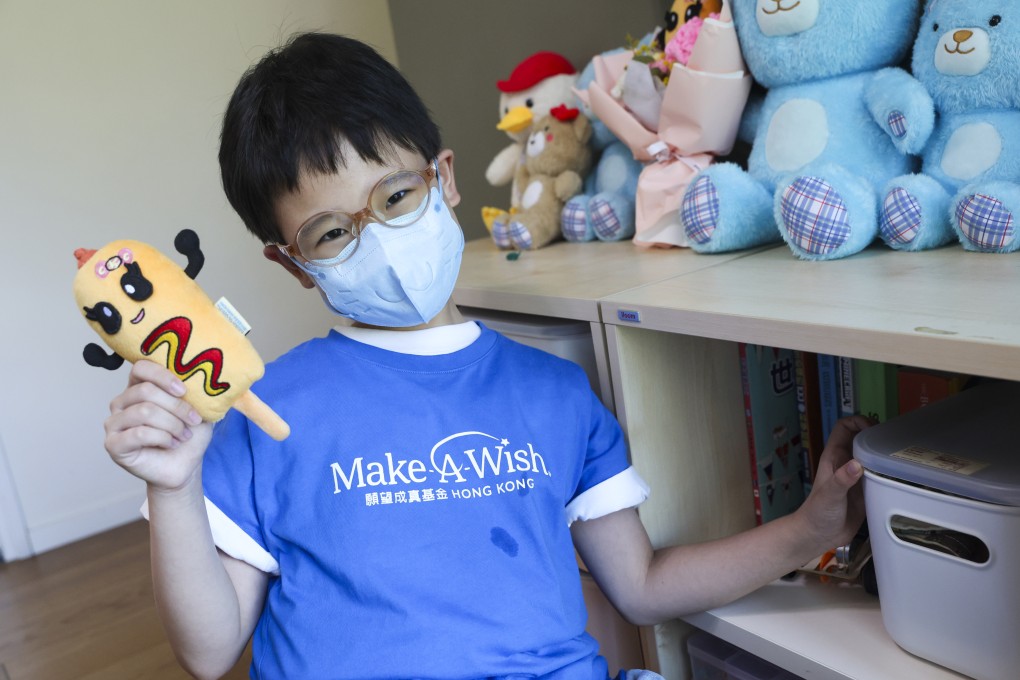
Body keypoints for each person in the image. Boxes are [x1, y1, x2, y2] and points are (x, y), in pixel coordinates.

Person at [102, 32, 870, 680]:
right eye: (332, 233)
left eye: (395, 196)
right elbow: (208, 652)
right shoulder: (264, 411)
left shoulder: (557, 393)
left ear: (444, 179)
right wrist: (173, 487)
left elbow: (639, 586)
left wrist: (809, 530)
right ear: (294, 263)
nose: (378, 237)